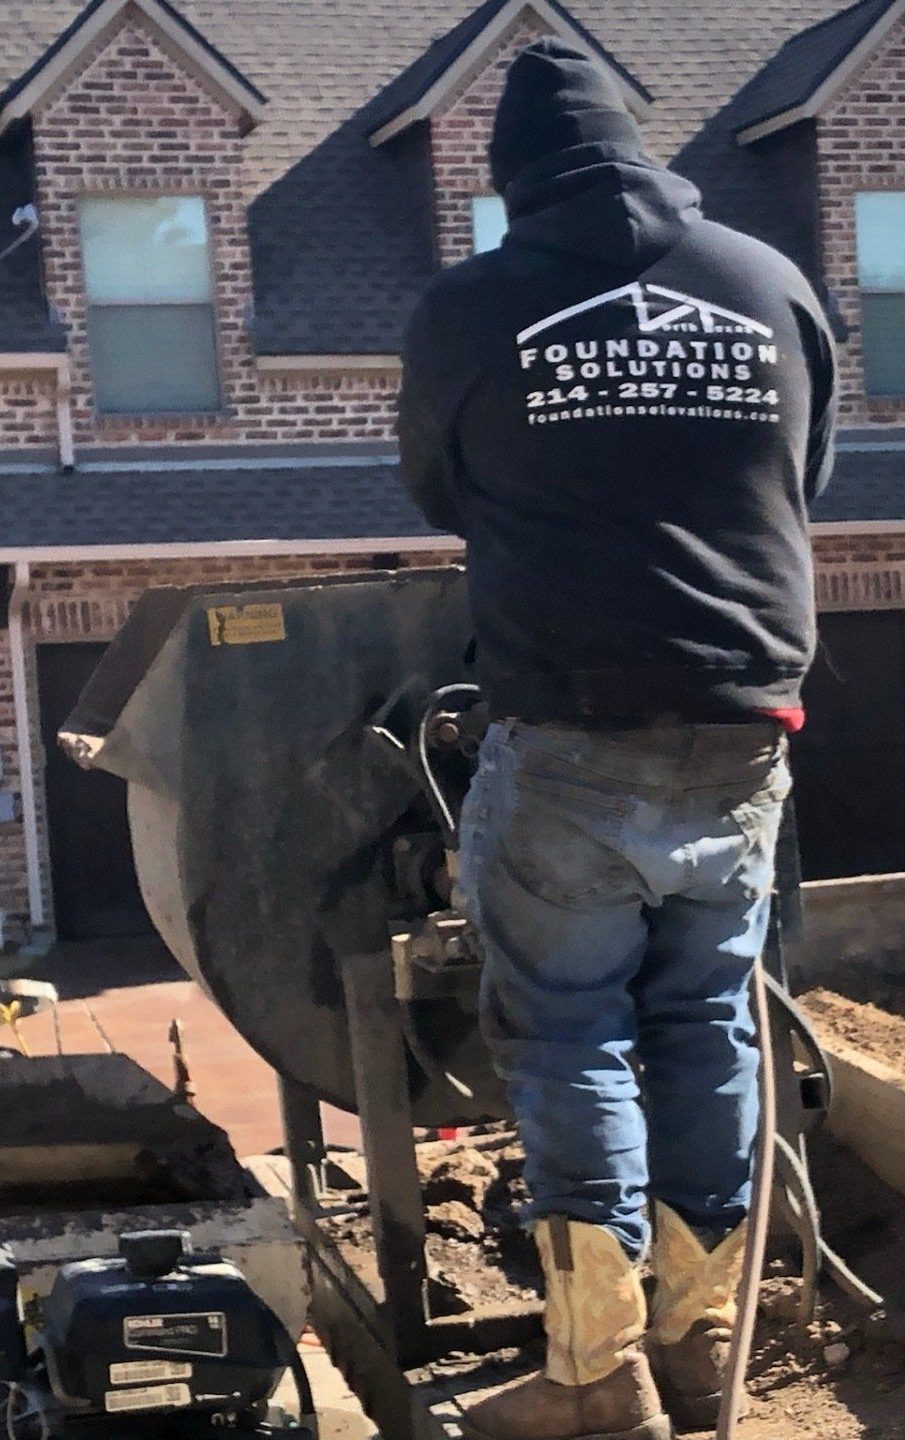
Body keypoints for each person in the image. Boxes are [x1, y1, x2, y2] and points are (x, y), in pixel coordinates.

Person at [397, 37, 836, 1440]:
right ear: (644, 148)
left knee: (570, 1033)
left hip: (572, 731)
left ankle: (599, 1379)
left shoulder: (478, 303)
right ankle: (704, 1350)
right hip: (743, 729)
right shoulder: (768, 285)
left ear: (512, 180)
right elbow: (801, 476)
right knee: (704, 1021)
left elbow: (435, 486)